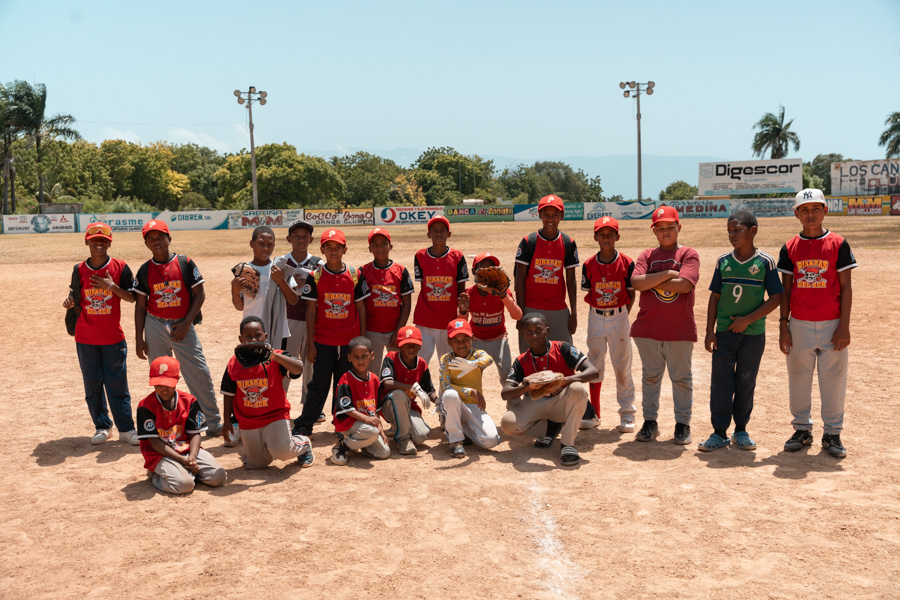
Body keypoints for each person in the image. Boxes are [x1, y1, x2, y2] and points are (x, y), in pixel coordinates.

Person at [778, 188, 856, 458]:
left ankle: (832, 432)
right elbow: (786, 290)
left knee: (833, 379)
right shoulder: (789, 247)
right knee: (798, 377)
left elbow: (846, 288)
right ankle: (802, 429)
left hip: (832, 323)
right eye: (804, 209)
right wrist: (783, 325)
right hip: (799, 323)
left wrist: (844, 325)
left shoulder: (839, 244)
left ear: (825, 210)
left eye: (815, 208)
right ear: (796, 213)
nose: (810, 214)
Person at [699, 210, 783, 452]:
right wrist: (710, 331)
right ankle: (718, 433)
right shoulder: (723, 261)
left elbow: (776, 298)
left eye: (737, 230)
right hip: (724, 333)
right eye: (729, 231)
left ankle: (741, 430)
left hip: (753, 334)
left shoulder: (765, 262)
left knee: (746, 382)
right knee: (721, 383)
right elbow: (715, 297)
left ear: (753, 231)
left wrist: (747, 319)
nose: (732, 235)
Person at [132, 219, 223, 436]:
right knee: (161, 376)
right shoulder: (145, 270)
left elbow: (200, 295)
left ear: (169, 239)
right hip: (154, 324)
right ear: (146, 244)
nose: (156, 242)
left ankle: (212, 423)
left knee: (198, 372)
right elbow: (140, 306)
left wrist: (186, 324)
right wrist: (139, 338)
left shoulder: (185, 262)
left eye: (160, 237)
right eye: (151, 239)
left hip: (182, 323)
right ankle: (166, 423)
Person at [63, 222, 139, 445]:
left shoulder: (120, 267)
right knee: (92, 385)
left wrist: (111, 286)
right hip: (85, 338)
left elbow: (133, 297)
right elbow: (75, 296)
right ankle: (103, 426)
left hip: (112, 338)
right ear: (86, 241)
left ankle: (126, 429)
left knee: (117, 385)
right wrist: (70, 302)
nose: (99, 243)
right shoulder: (79, 269)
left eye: (103, 240)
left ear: (109, 243)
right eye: (94, 239)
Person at [629, 206, 700, 445]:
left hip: (679, 329)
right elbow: (636, 283)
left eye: (670, 227)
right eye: (660, 228)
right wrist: (669, 273)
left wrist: (651, 281)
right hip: (647, 330)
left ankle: (682, 424)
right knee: (650, 377)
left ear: (679, 227)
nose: (666, 232)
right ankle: (650, 422)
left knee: (681, 379)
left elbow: (684, 286)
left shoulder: (688, 254)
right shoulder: (647, 255)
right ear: (654, 231)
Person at [291, 228, 370, 438]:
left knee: (344, 384)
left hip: (349, 342)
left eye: (337, 247)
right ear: (322, 250)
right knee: (319, 383)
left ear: (345, 249)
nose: (333, 251)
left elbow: (361, 308)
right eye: (329, 247)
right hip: (324, 340)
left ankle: (341, 423)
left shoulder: (355, 275)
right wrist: (311, 344)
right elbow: (310, 311)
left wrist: (361, 340)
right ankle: (305, 423)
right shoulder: (315, 276)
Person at [500, 313, 596, 466]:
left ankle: (567, 445)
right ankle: (550, 428)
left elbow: (593, 372)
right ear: (523, 334)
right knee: (508, 424)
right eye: (529, 331)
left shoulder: (563, 348)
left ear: (547, 331)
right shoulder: (521, 360)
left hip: (562, 401)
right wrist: (528, 387)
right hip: (538, 403)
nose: (534, 335)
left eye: (539, 330)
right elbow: (505, 393)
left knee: (577, 388)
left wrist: (565, 380)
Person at [220, 316, 315, 469]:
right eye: (248, 336)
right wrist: (227, 421)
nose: (253, 340)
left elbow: (298, 369)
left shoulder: (276, 357)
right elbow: (228, 393)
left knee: (282, 452)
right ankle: (258, 451)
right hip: (248, 419)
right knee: (256, 465)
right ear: (240, 339)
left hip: (275, 416)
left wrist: (274, 356)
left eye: (257, 335)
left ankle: (302, 444)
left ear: (265, 337)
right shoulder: (234, 362)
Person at [136, 356, 227, 495]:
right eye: (158, 385)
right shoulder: (145, 406)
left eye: (168, 385)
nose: (163, 389)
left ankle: (185, 472)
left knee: (218, 477)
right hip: (160, 454)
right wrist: (182, 460)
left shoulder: (189, 401)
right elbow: (154, 442)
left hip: (186, 449)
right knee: (184, 485)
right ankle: (156, 475)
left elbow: (195, 433)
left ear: (177, 380)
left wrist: (192, 457)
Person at [580, 216, 637, 433]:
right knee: (594, 363)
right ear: (595, 237)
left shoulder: (627, 262)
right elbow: (589, 291)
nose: (606, 238)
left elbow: (631, 293)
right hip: (595, 316)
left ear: (617, 237)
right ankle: (594, 412)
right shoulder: (588, 264)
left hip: (619, 315)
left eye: (610, 234)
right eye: (602, 235)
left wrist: (621, 315)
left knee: (622, 365)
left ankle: (627, 413)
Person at [514, 194, 580, 354]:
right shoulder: (529, 241)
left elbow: (571, 280)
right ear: (540, 215)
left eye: (555, 214)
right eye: (546, 214)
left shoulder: (568, 243)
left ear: (561, 216)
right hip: (531, 307)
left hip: (558, 309)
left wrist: (574, 313)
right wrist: (520, 313)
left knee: (563, 355)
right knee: (530, 356)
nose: (550, 219)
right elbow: (519, 279)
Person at [457, 251, 523, 387]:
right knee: (470, 377)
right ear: (474, 271)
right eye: (482, 268)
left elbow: (517, 316)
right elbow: (461, 325)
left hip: (498, 338)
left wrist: (503, 295)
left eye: (491, 268)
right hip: (475, 340)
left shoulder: (502, 291)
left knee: (507, 376)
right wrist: (463, 311)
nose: (487, 272)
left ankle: (512, 399)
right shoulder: (469, 293)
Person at [230, 225, 298, 353]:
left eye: (270, 245)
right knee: (254, 364)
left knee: (275, 364)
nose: (265, 248)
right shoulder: (245, 271)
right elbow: (239, 306)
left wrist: (281, 281)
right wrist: (234, 291)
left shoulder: (279, 269)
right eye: (261, 244)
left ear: (274, 246)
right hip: (252, 332)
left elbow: (294, 300)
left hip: (278, 329)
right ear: (252, 244)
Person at [438, 319, 499, 458]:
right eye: (456, 340)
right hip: (455, 405)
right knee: (450, 395)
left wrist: (473, 364)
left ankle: (462, 429)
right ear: (449, 341)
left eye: (465, 339)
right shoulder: (446, 359)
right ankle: (455, 441)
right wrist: (469, 391)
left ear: (472, 339)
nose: (461, 344)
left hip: (473, 405)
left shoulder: (477, 354)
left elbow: (489, 359)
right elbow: (445, 386)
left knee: (491, 440)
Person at [412, 215, 469, 364]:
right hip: (425, 319)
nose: (438, 233)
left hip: (448, 320)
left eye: (442, 230)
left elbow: (461, 291)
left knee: (448, 362)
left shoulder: (457, 256)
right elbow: (423, 286)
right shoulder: (420, 256)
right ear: (428, 234)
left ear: (449, 234)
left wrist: (460, 315)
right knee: (419, 361)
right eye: (434, 230)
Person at [281, 220, 323, 413]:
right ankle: (280, 405)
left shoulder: (318, 263)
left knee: (311, 365)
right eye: (296, 236)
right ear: (289, 239)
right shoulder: (281, 262)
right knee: (286, 363)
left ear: (311, 239)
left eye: (305, 236)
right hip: (289, 320)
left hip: (313, 319)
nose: (301, 240)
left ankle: (310, 406)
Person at [329, 336, 391, 466]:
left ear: (372, 356)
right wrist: (366, 419)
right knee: (372, 432)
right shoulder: (346, 379)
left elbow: (375, 410)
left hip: (367, 426)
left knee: (384, 453)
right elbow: (346, 409)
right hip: (349, 424)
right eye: (356, 357)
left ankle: (361, 443)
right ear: (349, 357)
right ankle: (342, 445)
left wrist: (380, 428)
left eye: (364, 356)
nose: (360, 360)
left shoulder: (374, 379)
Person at [360, 227, 414, 370]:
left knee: (397, 371)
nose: (380, 248)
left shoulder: (400, 271)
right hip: (371, 331)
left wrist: (399, 331)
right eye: (375, 245)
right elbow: (360, 305)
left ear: (390, 246)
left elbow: (407, 304)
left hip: (394, 329)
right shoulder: (363, 271)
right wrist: (363, 333)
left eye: (384, 244)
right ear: (370, 248)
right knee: (372, 371)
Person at [379, 325, 438, 456]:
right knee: (398, 394)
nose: (411, 348)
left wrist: (439, 401)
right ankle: (403, 439)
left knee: (420, 437)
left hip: (409, 406)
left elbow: (428, 391)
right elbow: (387, 383)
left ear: (420, 346)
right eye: (407, 345)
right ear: (399, 345)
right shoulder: (391, 357)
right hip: (389, 406)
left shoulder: (421, 363)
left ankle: (397, 428)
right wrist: (412, 387)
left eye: (415, 345)